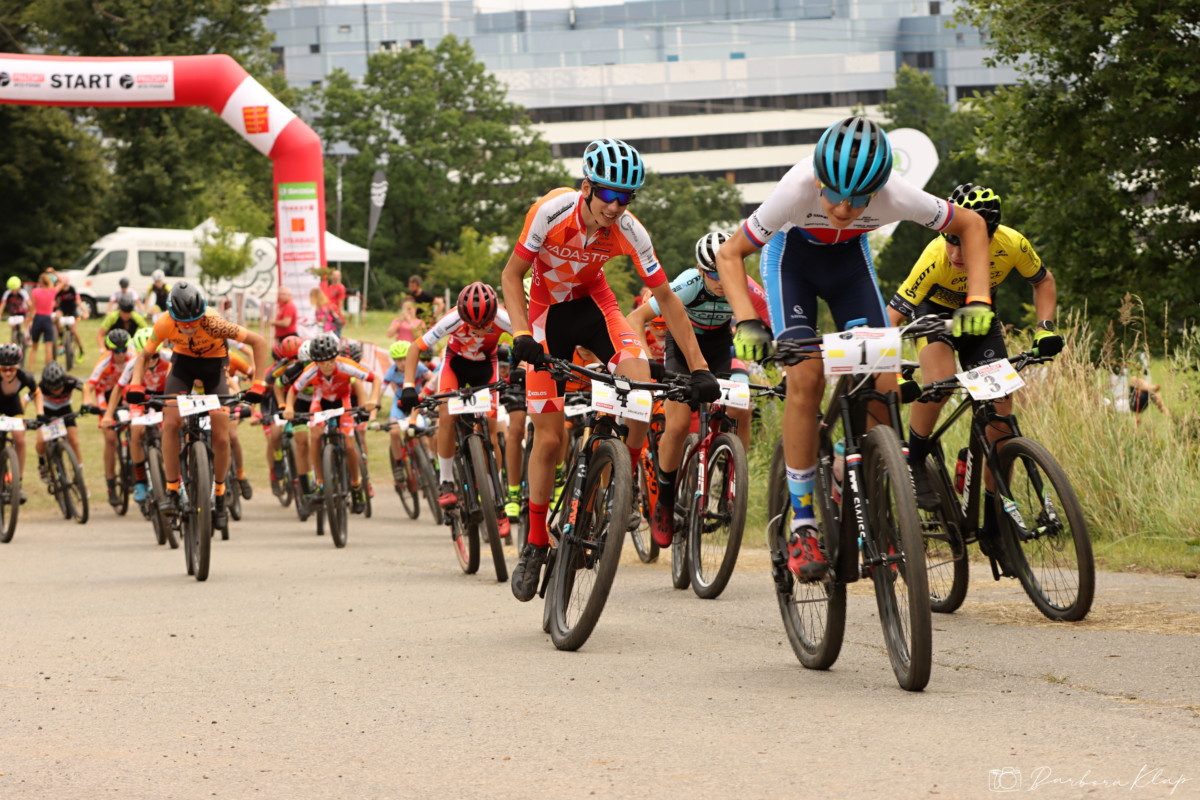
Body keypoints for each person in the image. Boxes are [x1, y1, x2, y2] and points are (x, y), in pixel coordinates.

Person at [715, 116, 994, 582]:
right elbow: (729, 253)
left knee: (885, 386)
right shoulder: (795, 187)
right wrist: (746, 322)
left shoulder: (896, 193)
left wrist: (979, 298)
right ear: (818, 181)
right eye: (835, 195)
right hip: (792, 265)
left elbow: (972, 225)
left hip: (850, 268)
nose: (845, 208)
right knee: (806, 377)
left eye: (860, 199)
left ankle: (859, 481)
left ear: (878, 190)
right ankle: (803, 523)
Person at [498, 137, 721, 602]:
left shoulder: (631, 230)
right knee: (550, 439)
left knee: (640, 385)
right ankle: (535, 541)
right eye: (609, 195)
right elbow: (511, 275)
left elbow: (667, 300)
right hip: (545, 315)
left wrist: (700, 368)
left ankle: (623, 483)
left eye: (626, 198)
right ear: (587, 188)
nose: (616, 207)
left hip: (594, 306)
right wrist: (519, 334)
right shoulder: (551, 211)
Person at [887, 184, 1061, 555]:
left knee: (1000, 419)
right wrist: (892, 369)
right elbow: (892, 317)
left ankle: (995, 525)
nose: (956, 253)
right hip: (932, 318)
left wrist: (1045, 329)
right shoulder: (935, 256)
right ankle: (913, 461)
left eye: (964, 242)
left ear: (988, 237)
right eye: (950, 240)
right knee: (939, 384)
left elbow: (1043, 281)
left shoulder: (1012, 244)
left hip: (979, 321)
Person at [626, 230, 772, 546]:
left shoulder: (747, 287)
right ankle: (665, 501)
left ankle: (732, 479)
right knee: (678, 426)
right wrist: (646, 360)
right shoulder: (689, 283)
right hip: (682, 348)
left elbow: (773, 323)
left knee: (743, 405)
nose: (721, 281)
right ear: (699, 269)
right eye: (713, 274)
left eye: (726, 272)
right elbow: (636, 318)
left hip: (721, 348)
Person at [124, 281, 270, 528]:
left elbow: (259, 342)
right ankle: (172, 489)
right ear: (173, 317)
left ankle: (220, 494)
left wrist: (258, 384)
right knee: (171, 423)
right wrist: (136, 384)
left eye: (195, 321)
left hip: (215, 367)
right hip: (183, 366)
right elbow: (145, 355)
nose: (190, 327)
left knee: (222, 435)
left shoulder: (214, 322)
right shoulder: (164, 323)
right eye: (184, 323)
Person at [398, 282, 514, 537]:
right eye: (473, 324)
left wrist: (525, 368)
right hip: (455, 365)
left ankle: (496, 498)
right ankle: (446, 482)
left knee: (491, 429)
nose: (480, 328)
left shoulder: (503, 317)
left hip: (486, 366)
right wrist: (408, 386)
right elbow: (416, 347)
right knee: (446, 417)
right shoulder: (452, 318)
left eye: (485, 324)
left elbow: (530, 340)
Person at [283, 332, 381, 514]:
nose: (327, 366)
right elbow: (293, 391)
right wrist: (289, 407)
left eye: (330, 361)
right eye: (322, 363)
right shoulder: (310, 370)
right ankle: (320, 483)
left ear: (336, 357)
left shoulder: (345, 365)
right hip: (320, 402)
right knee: (315, 436)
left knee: (350, 445)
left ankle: (356, 485)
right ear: (315, 362)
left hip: (342, 401)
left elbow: (375, 378)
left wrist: (373, 400)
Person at [86, 329, 135, 509]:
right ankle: (111, 484)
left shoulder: (133, 357)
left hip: (125, 394)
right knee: (110, 438)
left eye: (123, 350)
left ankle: (133, 464)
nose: (120, 355)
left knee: (136, 429)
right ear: (111, 350)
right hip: (106, 397)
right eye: (117, 351)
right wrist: (87, 402)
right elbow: (89, 386)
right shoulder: (104, 361)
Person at [382, 340, 432, 489]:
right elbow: (381, 391)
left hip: (417, 401)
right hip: (399, 403)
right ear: (394, 361)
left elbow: (432, 378)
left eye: (405, 358)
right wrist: (373, 410)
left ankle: (429, 462)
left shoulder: (418, 366)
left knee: (423, 434)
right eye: (398, 360)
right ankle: (398, 465)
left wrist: (426, 393)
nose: (403, 363)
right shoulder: (391, 372)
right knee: (394, 432)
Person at [0, 343, 43, 502]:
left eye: (12, 369)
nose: (8, 373)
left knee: (20, 438)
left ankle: (18, 483)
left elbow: (37, 394)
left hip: (13, 406)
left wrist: (40, 414)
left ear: (17, 367)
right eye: (4, 369)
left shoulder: (25, 377)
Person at [34, 360, 85, 481]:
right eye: (52, 389)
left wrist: (85, 403)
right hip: (47, 411)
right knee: (41, 441)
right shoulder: (41, 386)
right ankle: (42, 463)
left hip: (65, 409)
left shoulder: (70, 381)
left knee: (74, 441)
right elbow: (31, 398)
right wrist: (39, 413)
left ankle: (79, 474)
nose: (57, 391)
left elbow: (85, 388)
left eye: (59, 387)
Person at [27, 272, 58, 374]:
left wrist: (30, 318)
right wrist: (54, 272)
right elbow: (62, 282)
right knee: (48, 348)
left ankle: (31, 370)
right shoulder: (52, 291)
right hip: (47, 319)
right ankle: (49, 371)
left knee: (34, 348)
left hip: (38, 319)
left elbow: (32, 308)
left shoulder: (35, 292)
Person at [54, 272, 84, 357]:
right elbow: (55, 302)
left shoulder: (72, 290)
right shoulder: (59, 291)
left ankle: (81, 349)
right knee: (55, 318)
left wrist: (84, 311)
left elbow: (78, 302)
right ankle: (60, 336)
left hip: (72, 311)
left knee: (73, 331)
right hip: (62, 310)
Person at [2, 277, 31, 344]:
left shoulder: (23, 292)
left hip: (23, 312)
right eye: (12, 290)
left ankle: (28, 338)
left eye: (15, 289)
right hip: (13, 313)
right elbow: (3, 304)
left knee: (27, 324)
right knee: (13, 326)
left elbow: (29, 304)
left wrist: (31, 313)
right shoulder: (7, 293)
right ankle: (14, 340)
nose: (14, 291)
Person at [322, 270, 347, 334]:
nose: (335, 277)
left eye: (337, 275)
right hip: (328, 314)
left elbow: (341, 303)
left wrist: (339, 316)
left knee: (336, 334)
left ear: (340, 277)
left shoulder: (341, 288)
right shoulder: (329, 287)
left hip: (335, 315)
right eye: (334, 275)